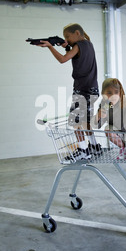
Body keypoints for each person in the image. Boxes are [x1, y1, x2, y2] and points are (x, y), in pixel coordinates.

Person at [36, 23, 101, 160]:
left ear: (77, 33)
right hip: (93, 89)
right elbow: (77, 56)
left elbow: (62, 60)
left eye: (68, 36)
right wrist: (67, 47)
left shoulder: (78, 46)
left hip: (82, 90)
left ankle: (83, 150)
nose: (67, 39)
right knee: (86, 122)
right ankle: (95, 147)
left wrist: (50, 47)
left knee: (76, 122)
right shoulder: (89, 44)